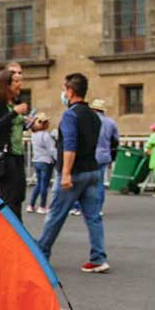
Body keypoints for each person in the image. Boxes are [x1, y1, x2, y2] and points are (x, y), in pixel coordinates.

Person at [37, 73, 109, 273]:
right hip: (93, 170)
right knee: (93, 216)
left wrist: (66, 172)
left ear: (70, 92)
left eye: (64, 89)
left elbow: (70, 144)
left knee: (56, 214)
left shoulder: (70, 115)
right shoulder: (94, 116)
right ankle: (98, 257)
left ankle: (41, 253)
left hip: (75, 171)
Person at [0, 68, 30, 218]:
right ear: (6, 85)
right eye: (16, 82)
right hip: (6, 157)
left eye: (20, 81)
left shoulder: (15, 103)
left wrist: (32, 125)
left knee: (19, 195)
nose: (20, 85)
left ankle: (17, 232)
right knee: (10, 197)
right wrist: (15, 113)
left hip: (18, 155)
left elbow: (15, 127)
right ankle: (12, 233)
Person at [90, 98, 119, 216]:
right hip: (105, 154)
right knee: (100, 182)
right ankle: (99, 208)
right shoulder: (111, 122)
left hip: (91, 155)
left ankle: (85, 206)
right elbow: (116, 140)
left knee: (88, 182)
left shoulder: (89, 121)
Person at [27, 112, 56, 214]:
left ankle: (31, 204)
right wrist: (56, 159)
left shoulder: (34, 135)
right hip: (46, 161)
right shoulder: (46, 135)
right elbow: (51, 149)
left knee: (38, 184)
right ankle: (42, 205)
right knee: (44, 184)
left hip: (36, 160)